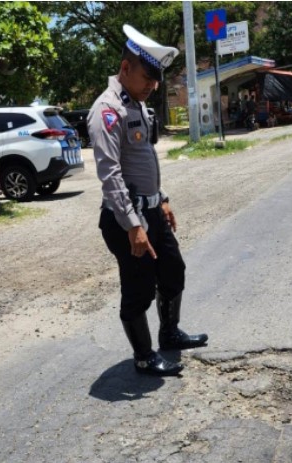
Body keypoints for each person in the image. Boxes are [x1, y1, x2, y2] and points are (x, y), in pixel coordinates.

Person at [87, 24, 208, 377]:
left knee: (173, 271)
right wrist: (134, 226)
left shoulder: (136, 104)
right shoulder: (107, 110)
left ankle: (169, 334)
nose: (153, 85)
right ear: (125, 69)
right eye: (146, 77)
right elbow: (110, 175)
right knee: (138, 287)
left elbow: (143, 163)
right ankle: (143, 357)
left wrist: (163, 199)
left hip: (151, 210)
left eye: (157, 79)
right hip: (126, 221)